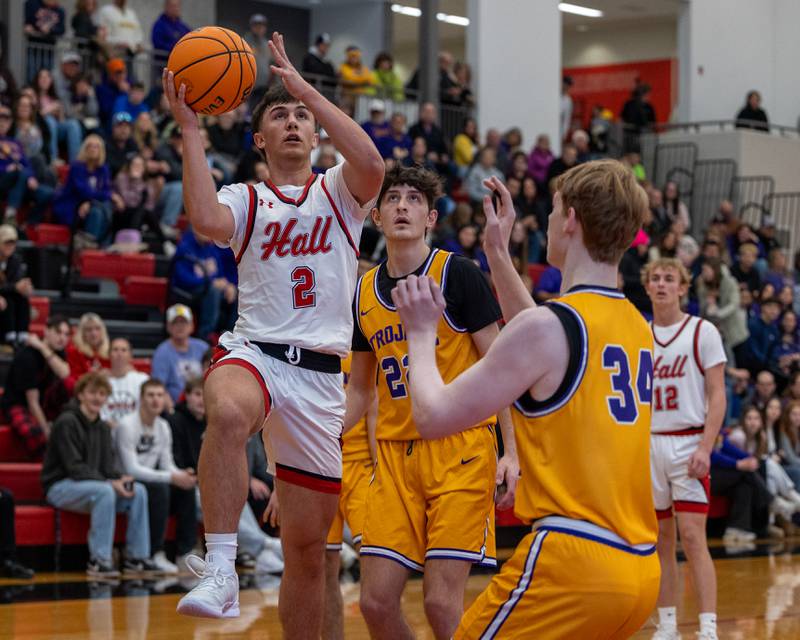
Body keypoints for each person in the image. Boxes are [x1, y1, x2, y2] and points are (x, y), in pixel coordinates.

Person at [163, 30, 384, 630]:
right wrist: (188, 127)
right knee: (229, 411)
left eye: (301, 118)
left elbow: (371, 163)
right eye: (279, 118)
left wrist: (301, 87)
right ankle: (221, 566)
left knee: (309, 554)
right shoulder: (248, 197)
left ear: (315, 134)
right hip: (256, 352)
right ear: (259, 140)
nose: (292, 123)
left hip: (321, 380)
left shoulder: (341, 193)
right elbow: (207, 220)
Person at [392, 161, 660, 638]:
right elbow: (543, 337)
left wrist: (419, 332)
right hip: (639, 569)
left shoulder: (551, 328)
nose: (552, 221)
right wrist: (498, 253)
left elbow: (432, 415)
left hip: (573, 562)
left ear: (572, 220)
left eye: (555, 210)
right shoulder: (636, 325)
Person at [346, 165, 519, 639]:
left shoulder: (458, 275)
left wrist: (512, 453)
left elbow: (502, 367)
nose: (402, 205)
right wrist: (317, 438)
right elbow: (361, 390)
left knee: (442, 604)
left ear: (430, 218)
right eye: (393, 199)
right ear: (376, 217)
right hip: (394, 457)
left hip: (461, 450)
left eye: (414, 199)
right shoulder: (362, 292)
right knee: (376, 604)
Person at [643, 258, 726, 640]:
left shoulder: (702, 331)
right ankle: (669, 625)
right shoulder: (638, 334)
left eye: (669, 279)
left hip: (688, 442)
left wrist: (706, 447)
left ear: (682, 288)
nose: (661, 284)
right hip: (648, 443)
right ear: (646, 287)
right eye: (655, 278)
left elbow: (718, 394)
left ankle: (707, 627)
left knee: (693, 537)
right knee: (661, 540)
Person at [41, 371, 157, 577]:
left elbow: (106, 468)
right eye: (93, 392)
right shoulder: (66, 421)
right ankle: (99, 560)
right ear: (81, 395)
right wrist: (109, 482)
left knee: (138, 491)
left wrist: (120, 478)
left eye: (102, 394)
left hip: (91, 487)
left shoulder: (103, 427)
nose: (98, 398)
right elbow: (74, 468)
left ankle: (136, 558)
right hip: (59, 486)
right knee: (105, 491)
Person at [115, 378, 198, 574]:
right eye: (150, 395)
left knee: (185, 489)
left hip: (152, 479)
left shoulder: (163, 426)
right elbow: (131, 469)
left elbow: (167, 464)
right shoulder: (126, 425)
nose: (155, 400)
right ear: (141, 399)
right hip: (125, 481)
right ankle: (155, 552)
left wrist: (181, 475)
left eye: (160, 395)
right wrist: (170, 477)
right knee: (160, 489)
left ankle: (184, 553)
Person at [323, 353, 376, 639]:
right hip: (319, 466)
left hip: (360, 466)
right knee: (323, 568)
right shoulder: (308, 346)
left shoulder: (361, 350)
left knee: (375, 564)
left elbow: (375, 409)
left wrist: (381, 469)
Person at [1, 315, 71, 457]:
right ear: (46, 331)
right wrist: (46, 430)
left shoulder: (58, 353)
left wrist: (42, 347)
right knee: (37, 436)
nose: (62, 338)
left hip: (45, 403)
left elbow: (66, 374)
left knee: (68, 388)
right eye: (58, 332)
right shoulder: (28, 356)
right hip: (19, 404)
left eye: (66, 334)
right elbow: (32, 402)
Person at [170, 227, 237, 340]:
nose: (208, 234)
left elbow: (220, 275)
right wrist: (210, 282)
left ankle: (231, 332)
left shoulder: (212, 250)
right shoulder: (184, 248)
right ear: (196, 230)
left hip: (208, 287)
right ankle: (205, 334)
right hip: (189, 288)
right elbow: (182, 277)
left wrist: (227, 285)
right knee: (212, 291)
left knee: (236, 290)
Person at [53, 134, 113, 246]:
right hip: (72, 205)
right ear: (84, 149)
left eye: (96, 147)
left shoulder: (103, 169)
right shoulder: (77, 167)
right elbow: (83, 191)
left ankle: (97, 244)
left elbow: (107, 192)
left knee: (104, 207)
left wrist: (90, 202)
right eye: (90, 146)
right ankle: (91, 246)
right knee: (98, 210)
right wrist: (92, 201)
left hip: (91, 205)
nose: (93, 149)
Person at [151, 304, 207, 407]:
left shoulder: (203, 348)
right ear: (168, 327)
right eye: (175, 322)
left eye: (184, 322)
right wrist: (172, 413)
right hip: (177, 407)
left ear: (192, 326)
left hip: (204, 405)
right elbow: (159, 388)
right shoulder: (162, 352)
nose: (180, 326)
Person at [101, 337, 148, 427]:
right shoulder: (101, 381)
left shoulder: (142, 380)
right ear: (109, 354)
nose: (119, 353)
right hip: (106, 431)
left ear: (131, 355)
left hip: (135, 430)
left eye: (124, 350)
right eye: (115, 350)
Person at [0, 225, 33, 346]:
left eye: (12, 243)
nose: (10, 246)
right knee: (7, 300)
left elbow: (17, 281)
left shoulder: (15, 260)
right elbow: (13, 285)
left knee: (22, 297)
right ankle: (9, 335)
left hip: (8, 295)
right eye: (6, 243)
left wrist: (25, 287)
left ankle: (22, 335)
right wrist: (15, 287)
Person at [66, 312, 111, 383]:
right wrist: (92, 376)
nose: (94, 333)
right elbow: (72, 379)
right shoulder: (74, 352)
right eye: (89, 330)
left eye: (97, 328)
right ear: (82, 333)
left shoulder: (110, 351)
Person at [243, 14, 271, 105]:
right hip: (248, 86)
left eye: (262, 25)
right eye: (256, 25)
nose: (259, 28)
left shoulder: (267, 44)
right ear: (252, 26)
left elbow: (271, 63)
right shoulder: (245, 41)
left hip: (264, 86)